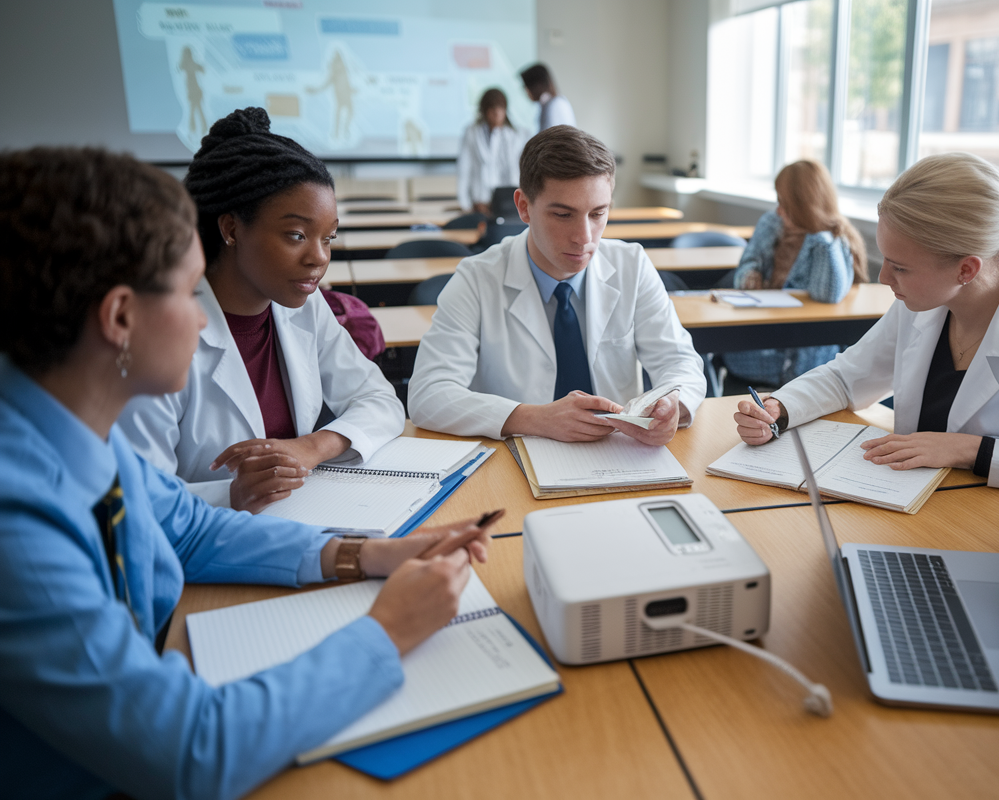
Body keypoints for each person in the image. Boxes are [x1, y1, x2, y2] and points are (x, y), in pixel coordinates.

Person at [0, 146, 496, 799]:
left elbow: (194, 532)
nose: (204, 315)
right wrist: (387, 630)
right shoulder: (18, 522)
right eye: (185, 291)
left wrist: (368, 553)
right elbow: (191, 749)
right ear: (120, 318)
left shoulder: (70, 428)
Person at [735, 152, 999, 492]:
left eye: (899, 267)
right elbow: (845, 377)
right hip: (909, 510)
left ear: (966, 269)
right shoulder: (920, 306)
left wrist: (972, 451)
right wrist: (779, 409)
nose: (882, 278)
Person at [118, 107, 405, 513]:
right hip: (200, 555)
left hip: (297, 520)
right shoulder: (157, 332)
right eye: (296, 235)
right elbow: (135, 499)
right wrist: (230, 496)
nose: (318, 259)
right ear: (231, 229)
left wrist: (310, 447)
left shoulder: (303, 305)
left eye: (329, 238)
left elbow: (380, 400)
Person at [407, 125, 707, 445]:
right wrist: (534, 418)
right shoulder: (476, 279)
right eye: (563, 214)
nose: (584, 237)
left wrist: (671, 405)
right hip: (515, 459)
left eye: (597, 213)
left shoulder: (631, 264)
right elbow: (429, 394)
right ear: (523, 207)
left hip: (619, 455)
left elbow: (679, 362)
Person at [723, 160, 869, 387]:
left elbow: (828, 294)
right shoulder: (772, 223)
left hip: (812, 362)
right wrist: (750, 274)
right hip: (762, 351)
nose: (779, 210)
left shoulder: (835, 239)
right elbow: (746, 265)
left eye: (786, 203)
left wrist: (820, 236)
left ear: (806, 205)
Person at [457, 88, 526, 215]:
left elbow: (519, 169)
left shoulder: (516, 135)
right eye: (492, 109)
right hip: (480, 201)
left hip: (508, 201)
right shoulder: (472, 133)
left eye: (500, 108)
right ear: (484, 111)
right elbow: (464, 168)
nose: (496, 113)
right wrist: (464, 203)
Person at [520, 63, 576, 131]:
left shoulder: (555, 105)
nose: (526, 91)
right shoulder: (551, 103)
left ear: (537, 85)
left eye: (526, 87)